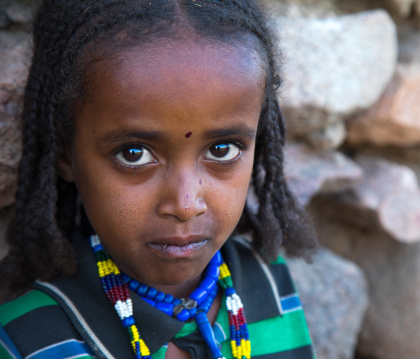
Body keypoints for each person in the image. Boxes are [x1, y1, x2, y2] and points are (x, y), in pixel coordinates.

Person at [0, 0, 318, 358]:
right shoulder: (27, 339)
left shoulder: (269, 281)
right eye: (134, 154)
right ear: (64, 152)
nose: (185, 204)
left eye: (223, 150)